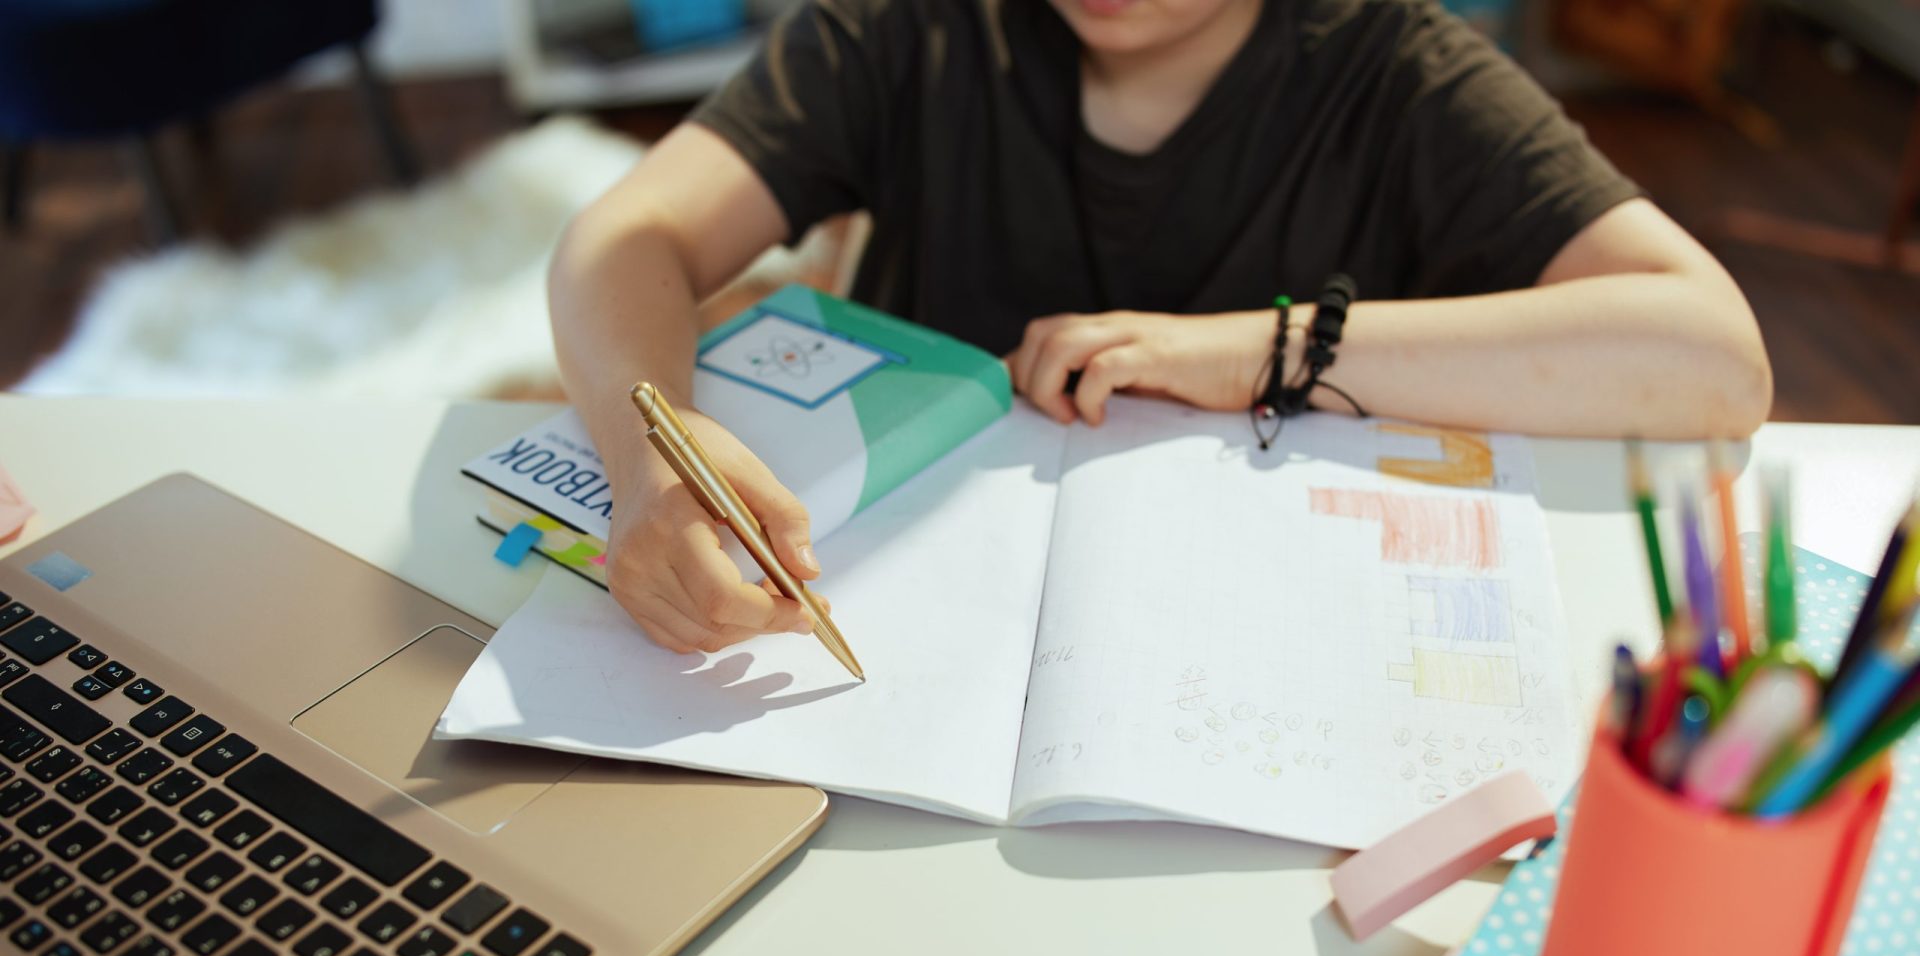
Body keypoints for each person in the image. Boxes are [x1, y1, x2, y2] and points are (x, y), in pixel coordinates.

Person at [549, 0, 1772, 656]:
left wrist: (1260, 348)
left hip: (1254, 666)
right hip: (886, 637)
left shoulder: (1400, 72)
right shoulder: (909, 31)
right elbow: (626, 238)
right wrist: (656, 458)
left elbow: (1709, 359)